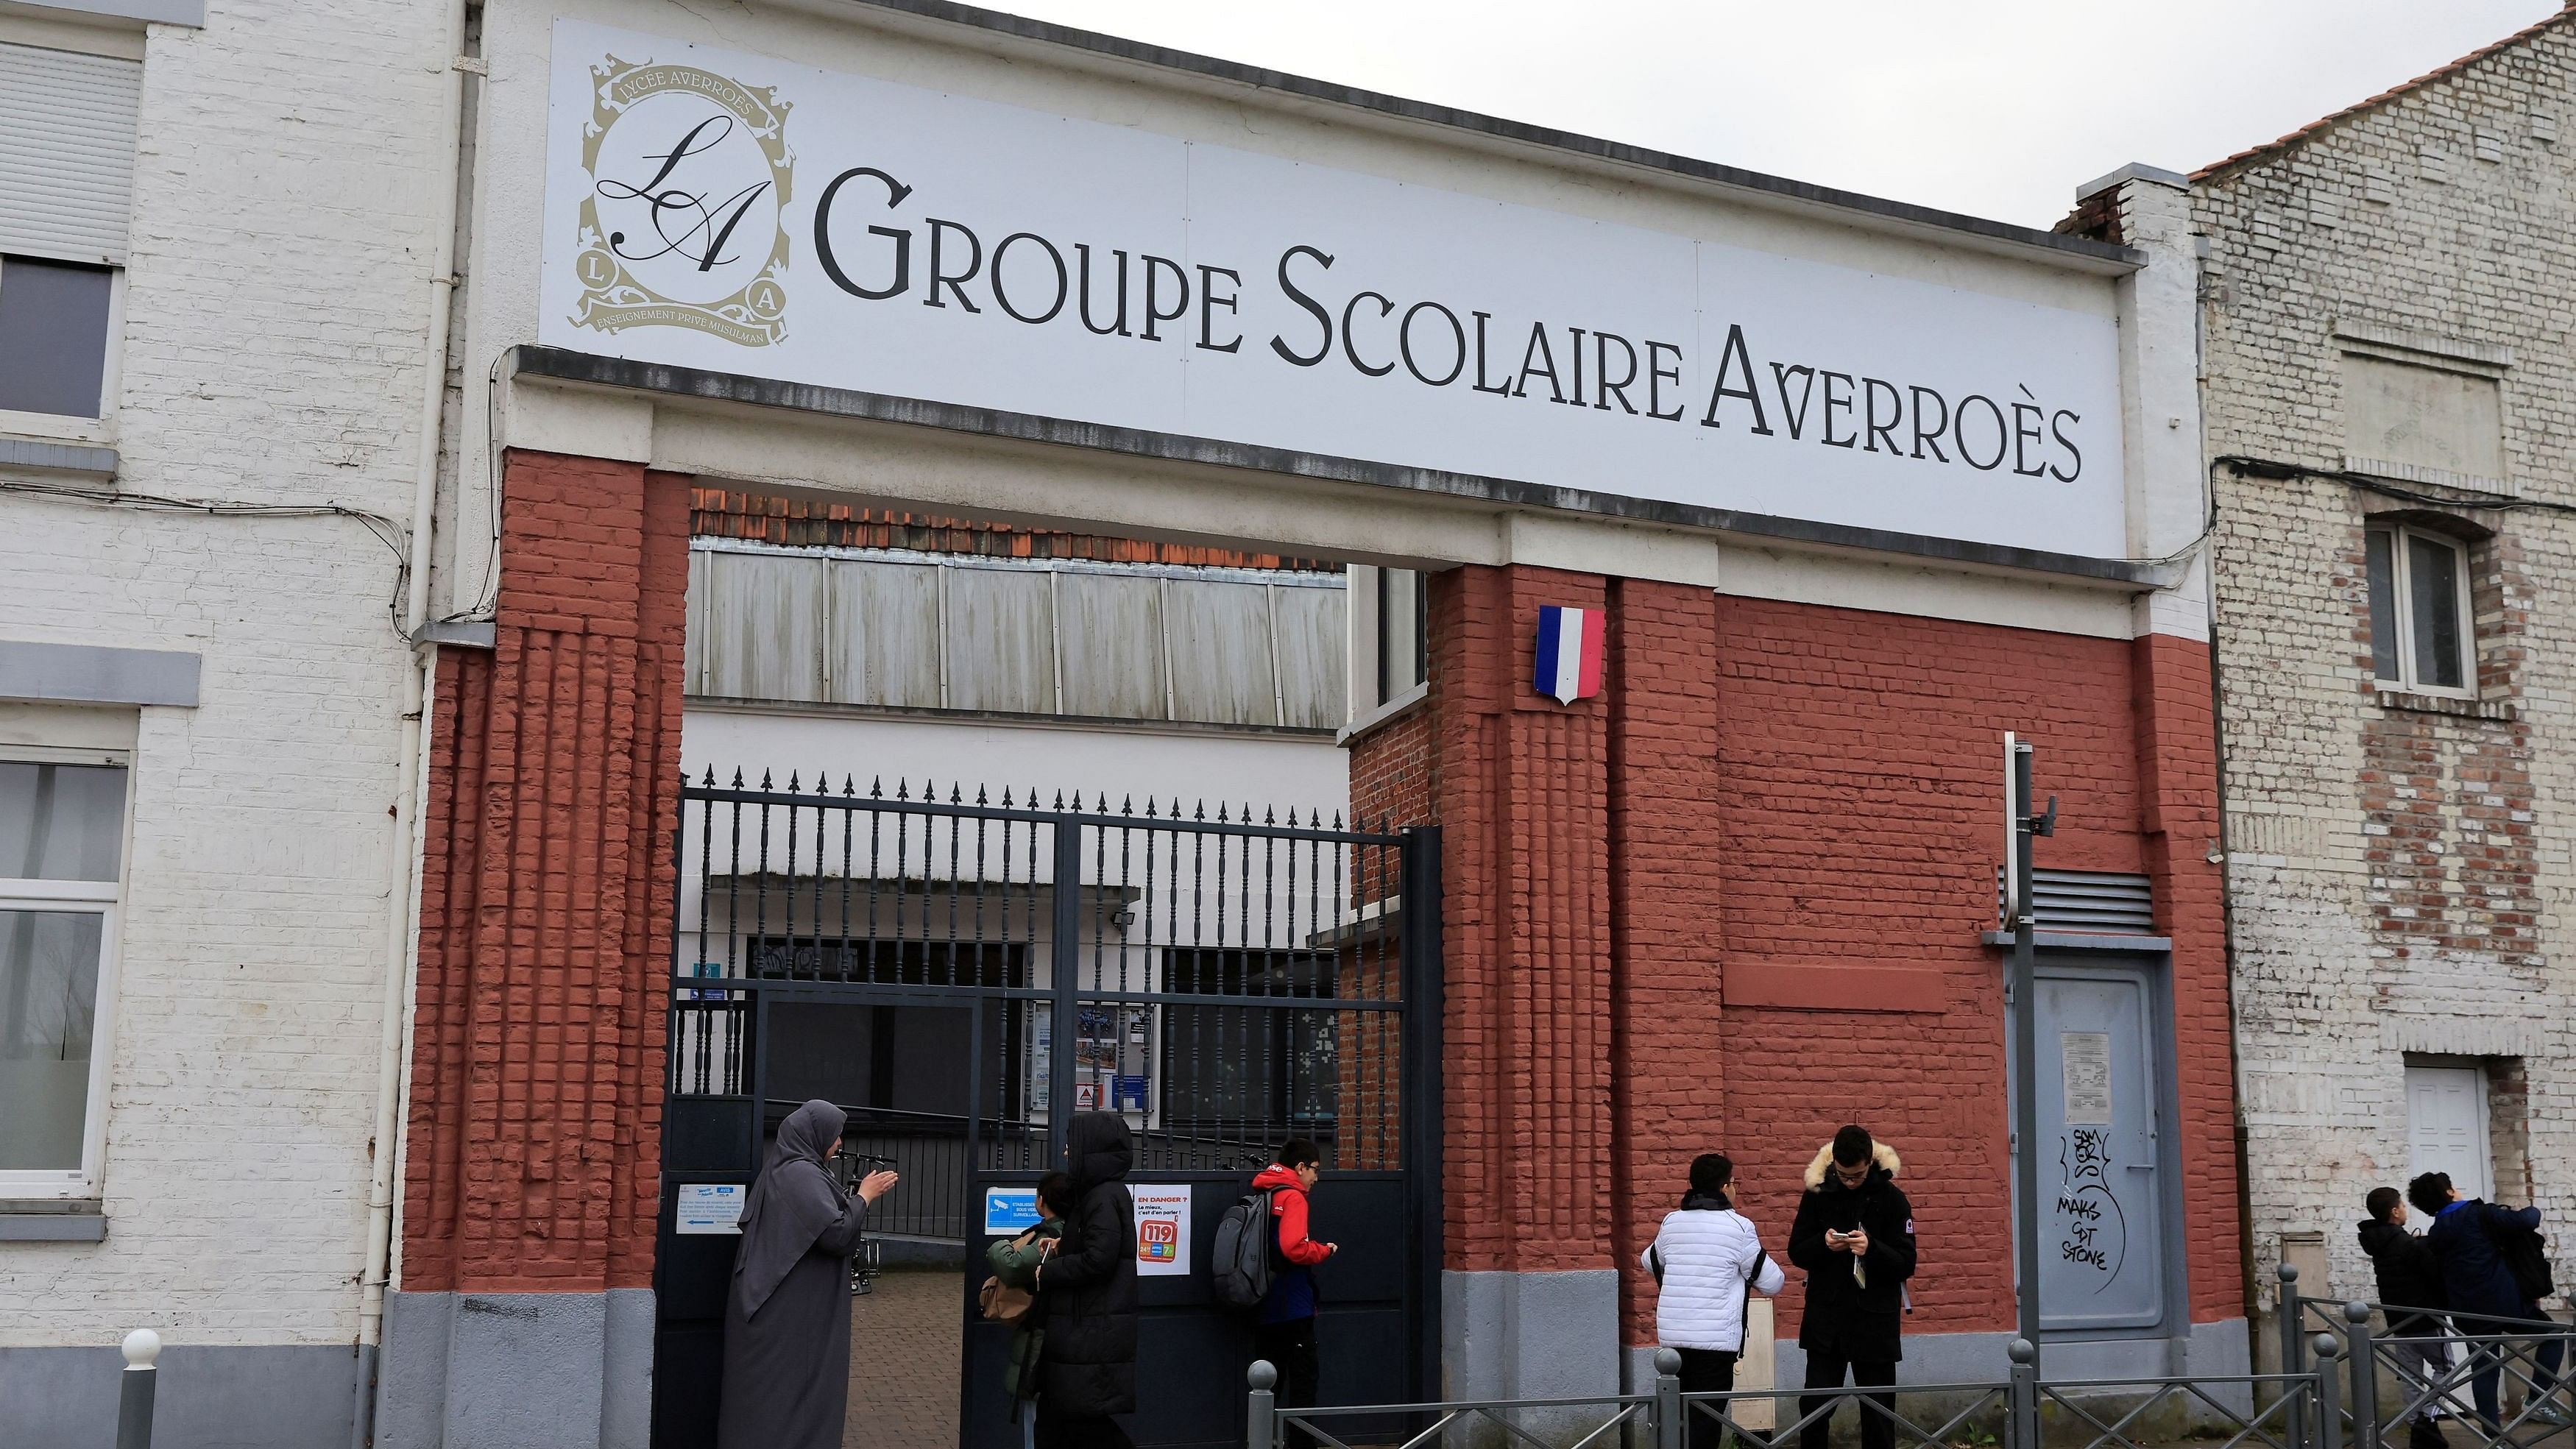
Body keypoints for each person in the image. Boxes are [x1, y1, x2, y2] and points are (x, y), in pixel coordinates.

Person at [717, 1099, 899, 1449]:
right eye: (835, 1135)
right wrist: (864, 1196)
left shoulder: (788, 1170)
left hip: (782, 1312)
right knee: (787, 1399)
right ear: (814, 1136)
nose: (840, 1143)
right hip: (787, 1318)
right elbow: (836, 1232)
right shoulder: (800, 1174)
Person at [1643, 1152, 1786, 1449]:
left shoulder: (1671, 1222)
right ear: (1724, 1188)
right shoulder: (1739, 1227)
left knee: (1675, 1418)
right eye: (1734, 1183)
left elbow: (1649, 1260)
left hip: (1674, 1340)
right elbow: (1772, 1283)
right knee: (1705, 1423)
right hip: (1716, 1344)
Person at [2410, 1172, 2570, 1431]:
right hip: (2503, 1301)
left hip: (2466, 1310)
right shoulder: (2478, 1213)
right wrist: (2533, 1208)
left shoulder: (2437, 1231)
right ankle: (2538, 1400)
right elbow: (2526, 1220)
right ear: (2449, 1192)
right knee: (2553, 1335)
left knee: (2484, 1367)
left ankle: (2492, 1436)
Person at [1788, 1126, 1917, 1449]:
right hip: (1826, 1322)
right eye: (1843, 1175)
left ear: (1870, 1162)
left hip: (1875, 1322)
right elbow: (1796, 1251)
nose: (1849, 1182)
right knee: (1815, 1408)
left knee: (1879, 1412)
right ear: (1834, 1166)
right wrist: (1823, 1243)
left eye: (1857, 1176)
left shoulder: (1893, 1199)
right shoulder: (1817, 1194)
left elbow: (1906, 1262)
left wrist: (1872, 1248)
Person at [1033, 1112, 1141, 1449]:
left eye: (1071, 1146)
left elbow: (1100, 1260)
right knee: (1060, 1419)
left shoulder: (1103, 1197)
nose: (1066, 1153)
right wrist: (1064, 1244)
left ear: (1090, 1151)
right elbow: (1100, 1244)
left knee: (1082, 1423)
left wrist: (1048, 1271)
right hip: (1084, 1328)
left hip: (1091, 1330)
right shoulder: (1097, 1194)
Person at [1250, 1138, 1340, 1449]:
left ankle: (1264, 1441)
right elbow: (1293, 1248)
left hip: (1263, 1299)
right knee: (1303, 1384)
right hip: (1294, 1305)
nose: (1316, 1178)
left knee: (1266, 1383)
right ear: (1300, 1167)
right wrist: (1323, 1250)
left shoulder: (1264, 1190)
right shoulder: (1294, 1197)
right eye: (1315, 1170)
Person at [2360, 1186, 2454, 1449]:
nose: (2404, 1209)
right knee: (2447, 1368)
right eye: (2402, 1205)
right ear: (2394, 1211)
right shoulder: (2407, 1244)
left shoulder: (2379, 1243)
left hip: (2398, 1320)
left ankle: (2416, 1427)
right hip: (2424, 1317)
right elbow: (2433, 1276)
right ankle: (2426, 1420)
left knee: (2411, 1376)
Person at [991, 1172, 1080, 1433]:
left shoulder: (1053, 1236)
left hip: (1042, 1337)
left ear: (1042, 1201)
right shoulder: (1075, 1232)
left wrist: (998, 1247)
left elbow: (1013, 1266)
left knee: (1036, 1423)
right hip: (1060, 1336)